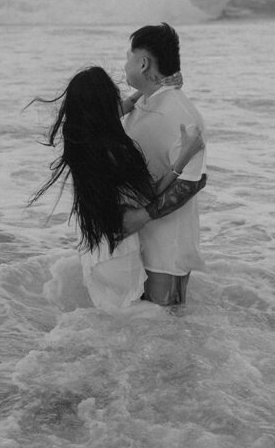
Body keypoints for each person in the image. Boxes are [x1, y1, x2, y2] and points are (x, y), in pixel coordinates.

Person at [30, 66, 204, 308]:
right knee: (141, 322)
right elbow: (150, 194)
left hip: (97, 249)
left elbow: (115, 111)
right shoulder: (114, 153)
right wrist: (182, 159)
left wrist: (149, 91)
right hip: (119, 252)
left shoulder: (78, 136)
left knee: (113, 317)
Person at [121, 23, 207, 307]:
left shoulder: (181, 112)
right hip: (135, 244)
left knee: (168, 335)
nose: (125, 65)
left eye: (128, 58)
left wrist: (143, 215)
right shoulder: (143, 104)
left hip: (167, 250)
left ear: (143, 62)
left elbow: (192, 181)